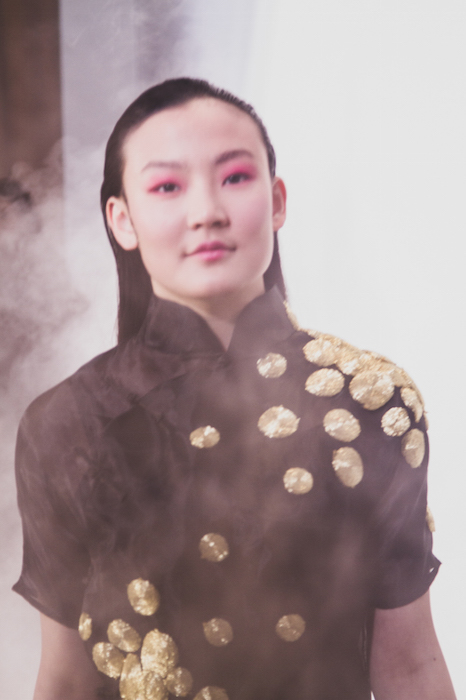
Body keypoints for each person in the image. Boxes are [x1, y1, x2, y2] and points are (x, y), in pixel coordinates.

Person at [13, 78, 456, 700]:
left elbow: (409, 664)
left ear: (276, 202)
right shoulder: (66, 424)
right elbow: (64, 680)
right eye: (168, 187)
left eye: (235, 177)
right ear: (122, 220)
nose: (207, 212)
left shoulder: (371, 403)